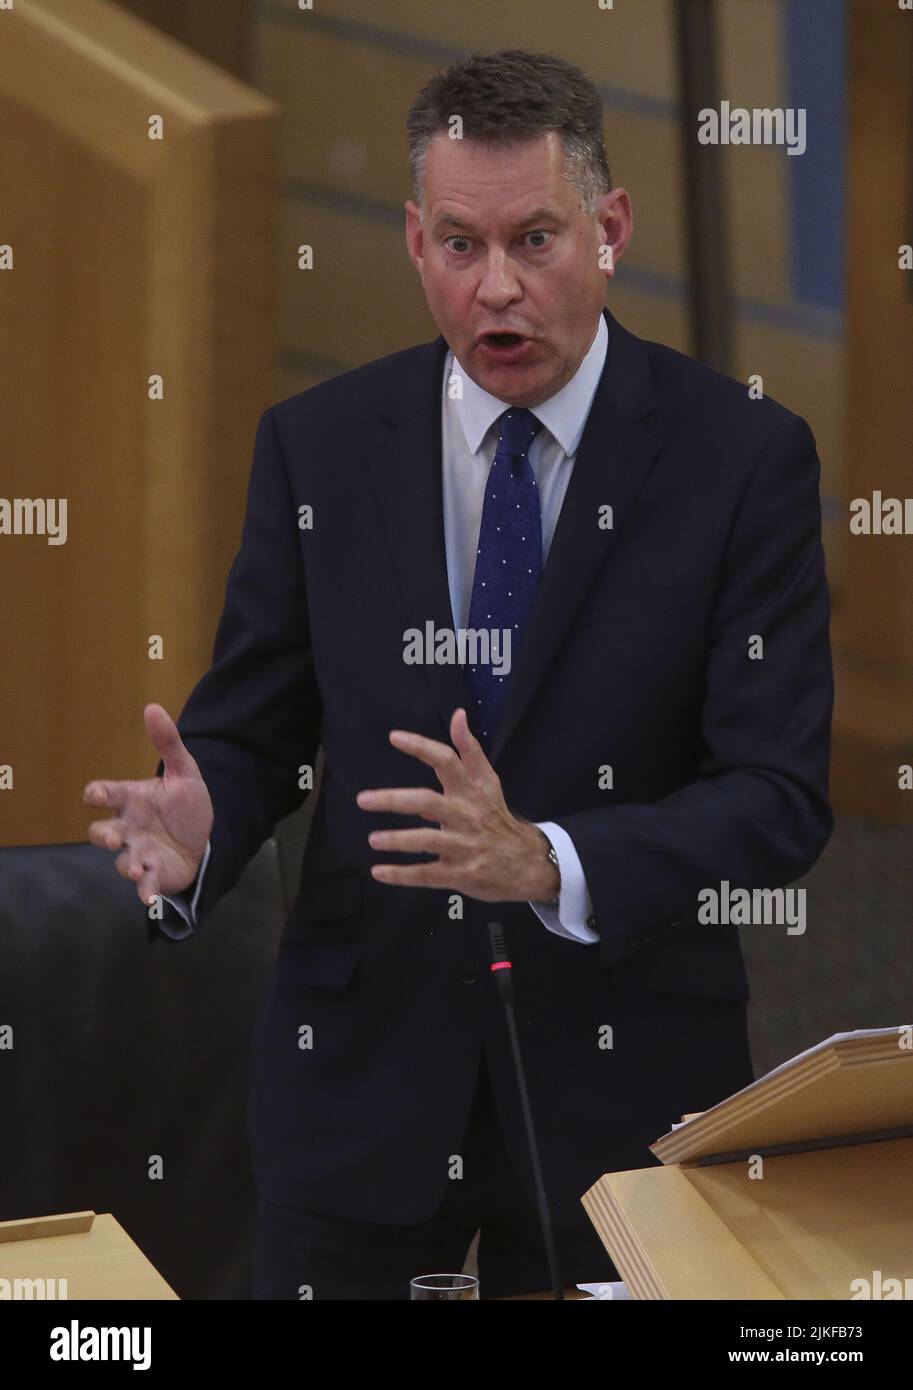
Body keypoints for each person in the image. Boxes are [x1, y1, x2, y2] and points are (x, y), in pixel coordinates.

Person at [84, 49, 834, 1299]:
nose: (499, 290)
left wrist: (549, 859)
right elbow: (256, 730)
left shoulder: (741, 458)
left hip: (623, 1084)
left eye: (536, 240)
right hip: (363, 1076)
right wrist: (205, 819)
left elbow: (778, 795)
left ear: (610, 231)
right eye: (459, 243)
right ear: (414, 244)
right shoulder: (319, 447)